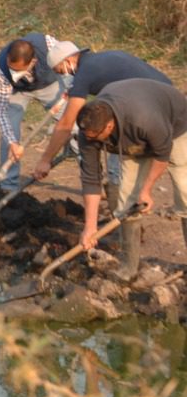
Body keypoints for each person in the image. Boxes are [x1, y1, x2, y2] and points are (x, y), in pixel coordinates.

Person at [30, 46, 173, 209]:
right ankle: (120, 209)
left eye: (61, 70)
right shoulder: (104, 57)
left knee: (115, 159)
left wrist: (45, 160)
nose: (64, 75)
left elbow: (65, 124)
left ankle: (121, 213)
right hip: (167, 96)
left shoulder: (84, 74)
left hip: (150, 109)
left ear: (68, 60)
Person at [74, 79, 187, 278]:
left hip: (176, 127)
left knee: (185, 194)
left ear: (109, 127)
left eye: (95, 137)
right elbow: (91, 178)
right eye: (88, 137)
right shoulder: (88, 131)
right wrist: (90, 227)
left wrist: (147, 190)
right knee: (127, 202)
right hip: (132, 140)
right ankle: (129, 266)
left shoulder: (144, 119)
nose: (90, 141)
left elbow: (162, 154)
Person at [0, 34, 75, 192]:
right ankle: (8, 186)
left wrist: (72, 87)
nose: (13, 73)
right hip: (17, 91)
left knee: (75, 126)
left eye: (18, 70)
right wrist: (12, 142)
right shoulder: (3, 69)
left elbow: (73, 61)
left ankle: (94, 182)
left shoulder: (48, 45)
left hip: (49, 85)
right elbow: (1, 110)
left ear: (33, 62)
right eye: (11, 69)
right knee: (9, 133)